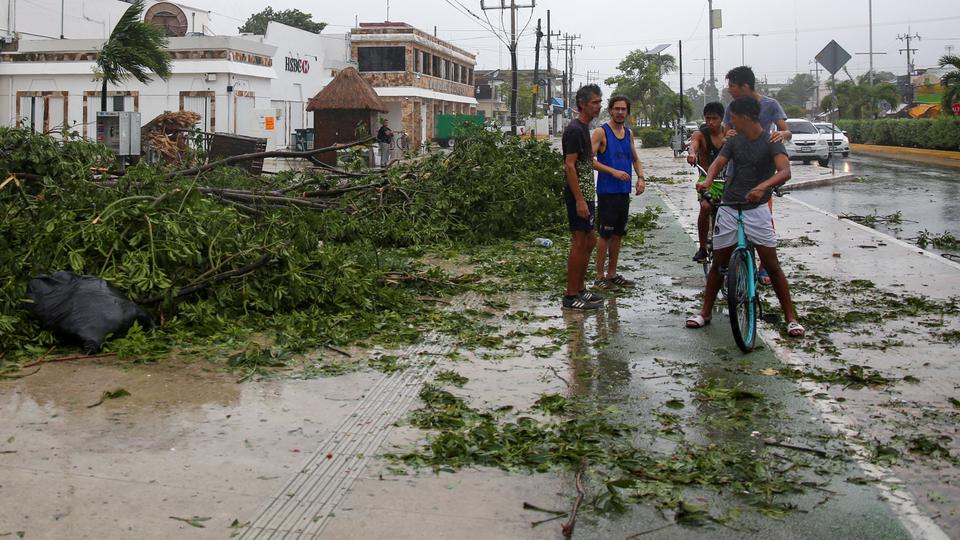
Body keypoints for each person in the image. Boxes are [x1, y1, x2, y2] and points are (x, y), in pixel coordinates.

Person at [686, 96, 805, 338]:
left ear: (746, 118)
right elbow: (718, 163)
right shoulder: (734, 141)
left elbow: (785, 171)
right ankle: (705, 312)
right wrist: (708, 179)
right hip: (730, 207)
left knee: (772, 265)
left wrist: (764, 187)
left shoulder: (771, 141)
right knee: (718, 263)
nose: (730, 124)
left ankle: (791, 318)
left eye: (733, 119)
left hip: (757, 210)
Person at [723, 66, 792, 284]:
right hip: (736, 168)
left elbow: (786, 130)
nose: (730, 91)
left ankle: (766, 265)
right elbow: (725, 131)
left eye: (732, 86)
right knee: (732, 216)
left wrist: (782, 134)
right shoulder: (731, 108)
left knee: (763, 215)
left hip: (763, 172)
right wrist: (729, 134)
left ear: (744, 86)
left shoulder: (770, 105)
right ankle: (734, 262)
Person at [591, 95, 645, 291]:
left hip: (624, 192)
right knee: (605, 233)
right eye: (617, 109)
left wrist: (640, 178)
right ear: (611, 110)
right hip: (607, 192)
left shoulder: (628, 133)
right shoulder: (601, 132)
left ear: (627, 112)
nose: (620, 112)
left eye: (624, 109)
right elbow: (589, 160)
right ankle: (599, 277)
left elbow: (636, 159)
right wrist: (613, 171)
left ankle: (612, 274)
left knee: (618, 234)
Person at [561, 84, 604, 311]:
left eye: (599, 101)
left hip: (588, 193)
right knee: (579, 242)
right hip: (579, 195)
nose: (599, 106)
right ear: (583, 105)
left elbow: (586, 163)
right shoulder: (575, 130)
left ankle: (579, 288)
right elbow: (570, 166)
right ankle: (570, 296)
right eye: (595, 102)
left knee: (589, 240)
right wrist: (579, 200)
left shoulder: (584, 129)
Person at [687, 101, 727, 263]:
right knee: (705, 207)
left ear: (721, 119)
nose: (711, 122)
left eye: (714, 119)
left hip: (727, 179)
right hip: (707, 179)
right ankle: (703, 247)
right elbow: (693, 146)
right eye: (708, 118)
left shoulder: (729, 133)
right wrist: (692, 154)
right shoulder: (700, 134)